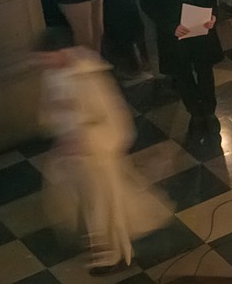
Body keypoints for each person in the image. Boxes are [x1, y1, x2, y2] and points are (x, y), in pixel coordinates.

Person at [38, 35, 169, 276]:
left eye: (49, 58)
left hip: (96, 151)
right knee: (88, 206)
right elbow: (50, 112)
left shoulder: (88, 77)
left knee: (106, 207)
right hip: (76, 154)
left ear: (63, 52)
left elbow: (110, 115)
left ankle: (116, 256)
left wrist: (86, 139)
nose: (46, 65)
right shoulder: (53, 75)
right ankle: (100, 251)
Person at [134, 0, 222, 134]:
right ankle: (195, 112)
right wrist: (170, 25)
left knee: (204, 70)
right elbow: (148, 2)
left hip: (201, 24)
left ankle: (209, 111)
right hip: (174, 29)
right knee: (182, 74)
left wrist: (213, 15)